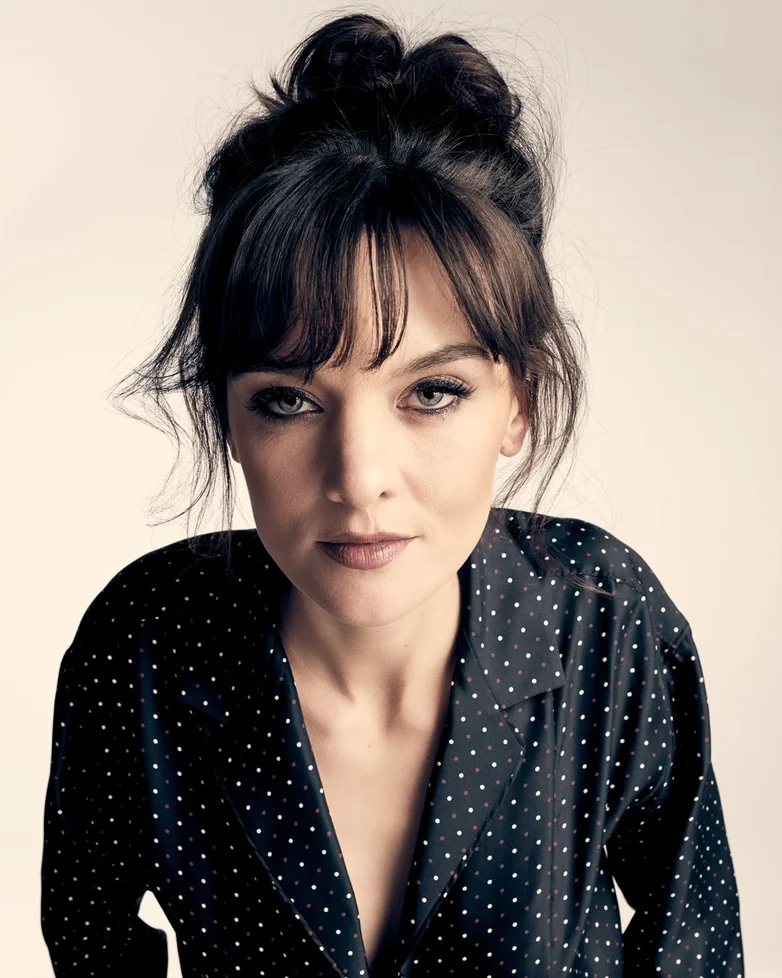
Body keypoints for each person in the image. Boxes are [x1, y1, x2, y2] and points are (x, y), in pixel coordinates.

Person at [40, 11, 744, 978]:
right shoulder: (145, 647)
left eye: (433, 393)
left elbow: (693, 942)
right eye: (288, 400)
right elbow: (90, 939)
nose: (360, 476)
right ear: (228, 418)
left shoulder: (605, 623)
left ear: (517, 403)